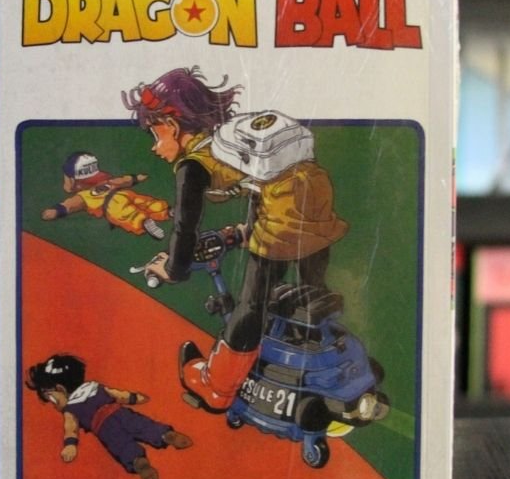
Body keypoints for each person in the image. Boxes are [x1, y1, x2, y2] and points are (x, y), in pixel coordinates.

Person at [122, 65, 348, 413]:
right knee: (310, 293)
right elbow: (267, 184)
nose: (155, 147)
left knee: (252, 306)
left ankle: (217, 387)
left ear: (172, 125)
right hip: (317, 199)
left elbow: (185, 227)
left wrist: (174, 268)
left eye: (155, 134)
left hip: (284, 221)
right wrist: (246, 231)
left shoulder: (193, 165)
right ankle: (316, 362)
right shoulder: (231, 140)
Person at [25, 353, 192, 479]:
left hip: (105, 428)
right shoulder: (95, 387)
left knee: (123, 447)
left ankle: (140, 464)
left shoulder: (71, 409)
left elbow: (71, 428)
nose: (53, 404)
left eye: (51, 398)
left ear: (60, 389)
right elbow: (118, 395)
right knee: (144, 426)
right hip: (122, 413)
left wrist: (70, 445)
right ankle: (166, 435)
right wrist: (134, 398)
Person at [41, 151, 169, 239]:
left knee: (129, 215)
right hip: (124, 194)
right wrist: (136, 178)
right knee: (146, 202)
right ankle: (166, 211)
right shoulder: (106, 182)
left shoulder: (84, 196)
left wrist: (56, 211)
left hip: (111, 207)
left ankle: (144, 222)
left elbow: (69, 205)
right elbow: (123, 181)